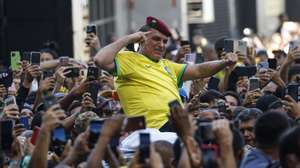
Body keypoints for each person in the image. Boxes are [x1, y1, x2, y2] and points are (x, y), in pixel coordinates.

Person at [94, 16, 237, 130]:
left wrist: (224, 62)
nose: (161, 45)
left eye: (164, 41)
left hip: (177, 124)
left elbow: (199, 70)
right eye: (156, 39)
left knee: (223, 128)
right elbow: (100, 60)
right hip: (154, 129)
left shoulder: (167, 65)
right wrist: (130, 38)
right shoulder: (128, 58)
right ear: (141, 40)